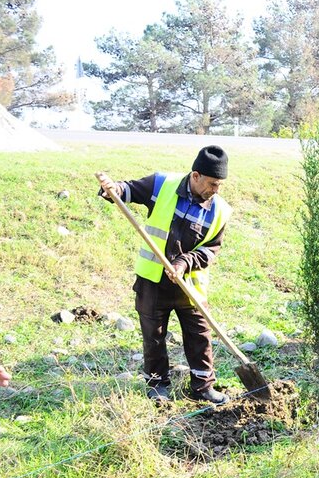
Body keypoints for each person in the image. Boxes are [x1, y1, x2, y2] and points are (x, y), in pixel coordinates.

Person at [97, 146, 232, 404]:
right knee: (154, 335)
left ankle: (203, 386)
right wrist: (112, 189)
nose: (216, 189)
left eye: (220, 185)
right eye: (212, 183)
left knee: (199, 334)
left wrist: (183, 263)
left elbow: (211, 250)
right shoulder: (162, 184)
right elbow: (127, 190)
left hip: (188, 284)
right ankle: (157, 384)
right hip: (152, 281)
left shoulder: (220, 210)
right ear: (195, 175)